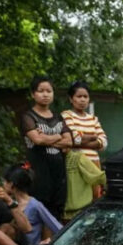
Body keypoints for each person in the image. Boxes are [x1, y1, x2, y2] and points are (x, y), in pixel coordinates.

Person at [22, 75, 72, 218]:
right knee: (40, 211)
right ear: (33, 94)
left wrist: (46, 138)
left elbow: (69, 141)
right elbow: (37, 140)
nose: (45, 94)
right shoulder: (28, 117)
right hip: (39, 173)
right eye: (41, 91)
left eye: (49, 91)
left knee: (57, 210)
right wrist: (57, 136)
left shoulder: (58, 117)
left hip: (59, 174)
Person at [61, 81, 107, 198]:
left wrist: (81, 140)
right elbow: (72, 138)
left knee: (95, 196)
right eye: (79, 96)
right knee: (79, 197)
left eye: (85, 97)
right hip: (77, 164)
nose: (82, 100)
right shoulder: (67, 115)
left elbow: (104, 143)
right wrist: (93, 137)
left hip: (94, 164)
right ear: (71, 99)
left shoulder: (93, 119)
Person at [3, 164, 62, 245]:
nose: (3, 184)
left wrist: (49, 242)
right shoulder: (8, 202)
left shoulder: (35, 205)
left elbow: (56, 226)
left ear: (12, 184)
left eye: (5, 181)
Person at [64, 150, 107, 221]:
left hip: (81, 213)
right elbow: (99, 179)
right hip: (80, 213)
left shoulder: (78, 157)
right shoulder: (79, 157)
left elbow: (98, 179)